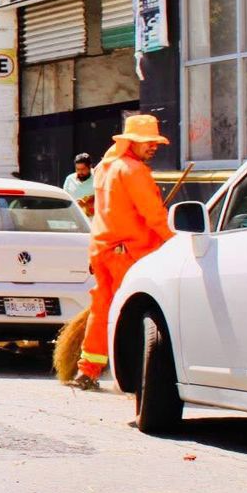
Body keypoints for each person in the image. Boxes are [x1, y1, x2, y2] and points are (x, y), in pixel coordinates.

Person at [76, 114, 175, 390]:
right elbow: (153, 214)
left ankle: (88, 369)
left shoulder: (106, 168)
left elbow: (102, 212)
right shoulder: (134, 171)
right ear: (130, 141)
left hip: (103, 248)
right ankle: (137, 375)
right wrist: (173, 241)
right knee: (135, 313)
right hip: (129, 251)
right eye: (147, 142)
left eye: (155, 142)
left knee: (103, 307)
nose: (153, 146)